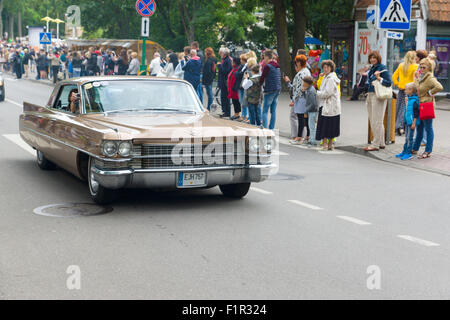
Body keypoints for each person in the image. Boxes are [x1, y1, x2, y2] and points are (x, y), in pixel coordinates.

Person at [411, 58, 443, 159]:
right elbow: (417, 89)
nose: (421, 68)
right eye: (420, 66)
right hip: (420, 105)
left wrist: (430, 93)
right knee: (419, 127)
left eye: (424, 67)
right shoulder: (421, 76)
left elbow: (439, 87)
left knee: (428, 128)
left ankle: (428, 151)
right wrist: (416, 78)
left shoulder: (430, 77)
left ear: (429, 67)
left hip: (427, 105)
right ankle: (415, 148)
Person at [364, 51, 392, 152]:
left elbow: (389, 83)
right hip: (370, 94)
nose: (372, 60)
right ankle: (381, 142)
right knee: (374, 120)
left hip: (378, 96)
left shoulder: (382, 68)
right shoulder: (372, 68)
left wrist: (379, 78)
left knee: (377, 120)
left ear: (378, 58)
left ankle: (375, 144)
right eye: (371, 58)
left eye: (374, 58)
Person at [284, 55, 311, 143]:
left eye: (296, 63)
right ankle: (306, 136)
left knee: (300, 118)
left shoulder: (300, 74)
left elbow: (298, 89)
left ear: (299, 63)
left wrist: (293, 100)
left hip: (301, 99)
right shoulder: (307, 71)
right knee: (304, 118)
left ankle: (299, 137)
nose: (295, 65)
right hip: (306, 97)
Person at [316, 60, 341, 151]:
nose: (325, 69)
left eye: (327, 67)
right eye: (324, 67)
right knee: (331, 125)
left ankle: (326, 144)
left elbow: (327, 93)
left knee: (325, 125)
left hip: (328, 104)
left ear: (331, 68)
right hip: (331, 105)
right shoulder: (328, 77)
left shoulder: (330, 79)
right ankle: (330, 145)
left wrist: (317, 93)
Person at [392, 51, 418, 136]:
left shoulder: (401, 65)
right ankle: (400, 126)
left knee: (398, 107)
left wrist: (397, 84)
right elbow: (416, 80)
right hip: (410, 90)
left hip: (401, 89)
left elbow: (394, 76)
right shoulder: (416, 67)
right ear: (414, 57)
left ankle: (395, 126)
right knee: (406, 109)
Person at [395, 82, 420, 161]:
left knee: (410, 138)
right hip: (407, 122)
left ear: (411, 90)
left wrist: (414, 123)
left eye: (406, 90)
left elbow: (416, 113)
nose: (405, 91)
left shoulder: (414, 101)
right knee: (406, 138)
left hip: (411, 123)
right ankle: (404, 151)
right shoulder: (408, 99)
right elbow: (407, 110)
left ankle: (408, 153)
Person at [259, 50, 282, 130]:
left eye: (264, 57)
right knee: (273, 111)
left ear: (266, 57)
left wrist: (259, 85)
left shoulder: (267, 66)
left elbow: (262, 78)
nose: (263, 59)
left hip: (270, 90)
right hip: (277, 89)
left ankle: (265, 129)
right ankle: (271, 128)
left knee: (265, 110)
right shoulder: (277, 65)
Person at [303, 76, 319, 147]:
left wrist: (306, 111)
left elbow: (312, 103)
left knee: (312, 126)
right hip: (312, 110)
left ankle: (313, 141)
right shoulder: (309, 89)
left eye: (304, 82)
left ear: (307, 83)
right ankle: (311, 139)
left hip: (312, 110)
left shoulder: (311, 91)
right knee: (310, 125)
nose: (303, 83)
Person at [217, 47, 232, 118]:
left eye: (221, 53)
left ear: (224, 54)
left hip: (225, 82)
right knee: (223, 97)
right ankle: (224, 111)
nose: (220, 54)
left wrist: (219, 66)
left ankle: (227, 112)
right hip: (223, 81)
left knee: (226, 97)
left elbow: (226, 71)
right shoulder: (224, 60)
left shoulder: (227, 61)